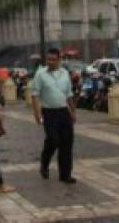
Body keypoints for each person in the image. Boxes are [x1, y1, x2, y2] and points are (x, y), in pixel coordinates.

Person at [30, 47, 76, 184]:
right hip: (49, 112)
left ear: (59, 60)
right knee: (53, 140)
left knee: (67, 143)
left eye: (53, 60)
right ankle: (44, 163)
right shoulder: (40, 74)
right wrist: (37, 114)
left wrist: (73, 111)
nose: (50, 62)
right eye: (48, 59)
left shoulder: (65, 74)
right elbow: (35, 95)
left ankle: (65, 174)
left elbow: (69, 95)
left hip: (63, 111)